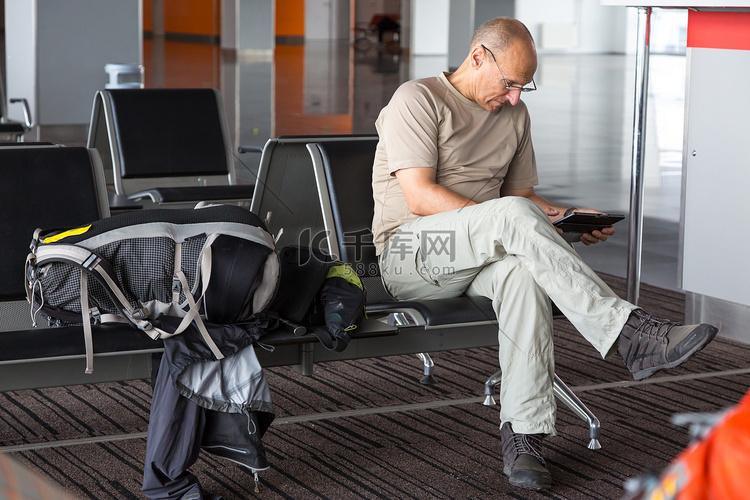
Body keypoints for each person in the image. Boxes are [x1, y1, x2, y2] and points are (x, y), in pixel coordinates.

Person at [371, 17, 718, 492]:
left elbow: (522, 198)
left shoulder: (513, 114)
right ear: (477, 58)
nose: (515, 96)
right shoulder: (417, 99)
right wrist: (512, 218)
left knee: (522, 275)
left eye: (524, 87)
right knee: (510, 221)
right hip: (412, 249)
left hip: (483, 251)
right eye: (509, 83)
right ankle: (631, 333)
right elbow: (419, 196)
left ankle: (524, 434)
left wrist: (564, 216)